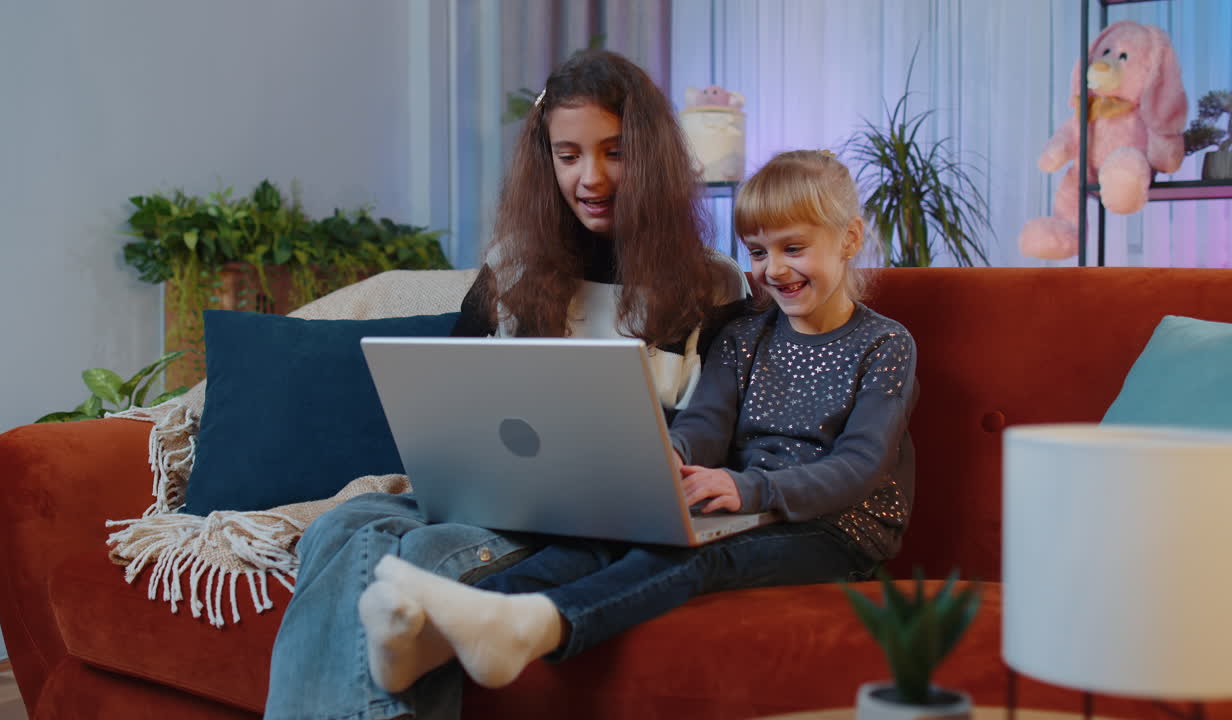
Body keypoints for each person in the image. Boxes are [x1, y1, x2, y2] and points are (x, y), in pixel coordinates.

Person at [263, 50, 748, 720]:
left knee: (425, 553)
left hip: (599, 523)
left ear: (653, 155)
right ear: (545, 162)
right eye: (569, 155)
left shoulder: (714, 285)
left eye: (614, 151)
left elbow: (718, 431)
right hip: (482, 498)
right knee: (340, 526)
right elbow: (450, 402)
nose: (592, 177)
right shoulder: (511, 268)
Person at [357, 149, 919, 692]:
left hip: (836, 530)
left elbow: (860, 466)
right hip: (750, 507)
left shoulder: (885, 344)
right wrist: (664, 455)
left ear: (849, 238)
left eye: (793, 247)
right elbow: (705, 424)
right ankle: (445, 627)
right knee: (595, 543)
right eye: (757, 252)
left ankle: (535, 626)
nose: (773, 270)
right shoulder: (747, 337)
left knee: (696, 556)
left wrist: (751, 488)